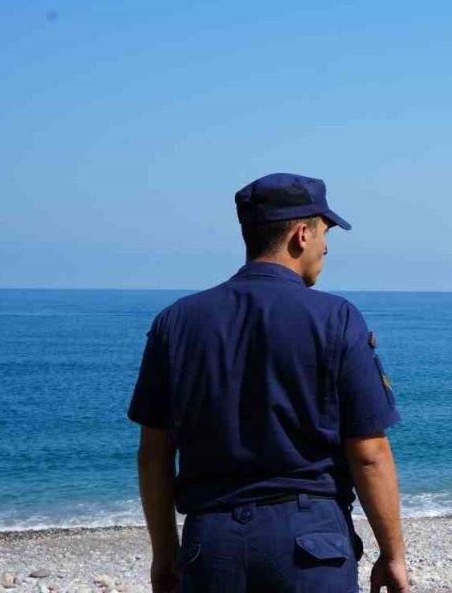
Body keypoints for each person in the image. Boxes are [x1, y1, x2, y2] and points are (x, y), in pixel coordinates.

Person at [129, 173, 409, 593]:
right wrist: (392, 555)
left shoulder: (175, 322)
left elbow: (154, 455)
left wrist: (165, 555)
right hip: (311, 546)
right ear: (301, 235)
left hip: (210, 545)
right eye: (324, 233)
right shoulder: (337, 318)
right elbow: (369, 455)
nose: (326, 247)